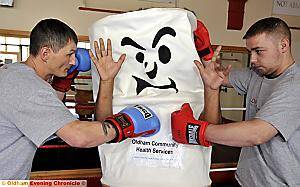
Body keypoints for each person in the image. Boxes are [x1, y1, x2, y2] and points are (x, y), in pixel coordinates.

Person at [0, 18, 159, 179]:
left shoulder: (15, 75)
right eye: (69, 54)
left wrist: (106, 80)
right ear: (45, 53)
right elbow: (79, 136)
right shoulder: (26, 85)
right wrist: (127, 123)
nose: (74, 61)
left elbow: (98, 126)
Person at [171, 17, 300, 186]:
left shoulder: (294, 85)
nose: (252, 59)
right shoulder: (256, 75)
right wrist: (206, 58)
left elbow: (257, 134)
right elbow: (216, 77)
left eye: (259, 51)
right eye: (250, 52)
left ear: (283, 45)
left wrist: (194, 131)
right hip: (245, 180)